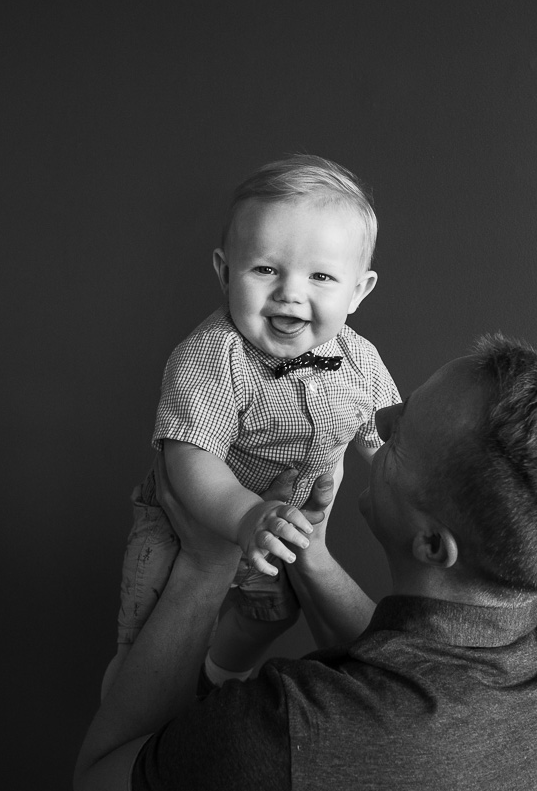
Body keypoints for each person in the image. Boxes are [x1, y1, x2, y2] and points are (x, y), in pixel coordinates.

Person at [75, 334, 537, 791]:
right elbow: (409, 676)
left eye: (398, 437)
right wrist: (307, 551)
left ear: (432, 545)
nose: (377, 421)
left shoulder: (287, 743)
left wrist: (205, 564)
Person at [102, 155, 400, 699]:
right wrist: (245, 516)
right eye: (266, 269)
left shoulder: (358, 358)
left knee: (271, 613)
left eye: (321, 276)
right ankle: (128, 718)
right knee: (146, 635)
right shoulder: (212, 356)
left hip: (277, 528)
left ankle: (216, 681)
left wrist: (396, 472)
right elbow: (188, 459)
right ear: (224, 271)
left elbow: (378, 434)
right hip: (189, 522)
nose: (290, 292)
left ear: (359, 290)